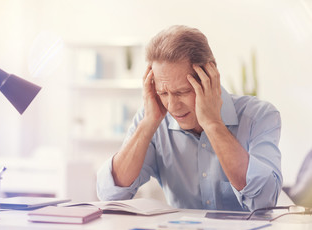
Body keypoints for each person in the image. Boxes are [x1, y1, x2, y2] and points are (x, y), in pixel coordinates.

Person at [96, 25, 282, 211]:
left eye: (182, 91)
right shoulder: (152, 119)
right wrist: (148, 124)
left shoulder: (258, 117)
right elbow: (111, 195)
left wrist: (213, 124)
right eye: (163, 93)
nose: (172, 106)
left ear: (210, 76)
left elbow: (264, 200)